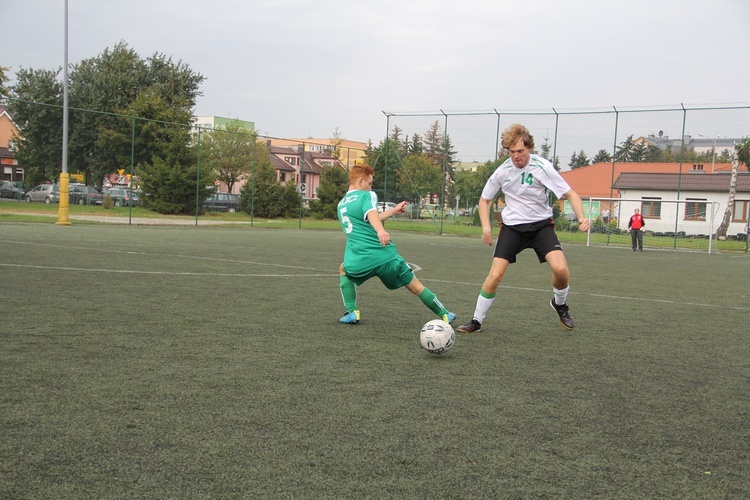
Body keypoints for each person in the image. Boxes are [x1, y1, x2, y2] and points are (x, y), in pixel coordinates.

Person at [456, 124, 590, 333]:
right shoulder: (502, 171)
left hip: (541, 226)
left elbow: (570, 194)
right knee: (495, 275)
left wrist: (581, 217)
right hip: (512, 228)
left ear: (529, 148)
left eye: (520, 151)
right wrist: (486, 228)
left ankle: (560, 304)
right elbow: (484, 200)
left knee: (561, 270)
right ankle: (476, 320)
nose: (516, 156)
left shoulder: (542, 166)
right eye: (512, 152)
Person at [336, 164, 456, 326]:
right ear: (360, 180)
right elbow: (372, 215)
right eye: (370, 183)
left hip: (359, 259)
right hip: (385, 256)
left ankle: (352, 312)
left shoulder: (342, 204)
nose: (371, 187)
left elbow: (370, 217)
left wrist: (393, 211)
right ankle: (445, 314)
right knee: (414, 285)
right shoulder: (367, 196)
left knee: (344, 269)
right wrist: (380, 231)